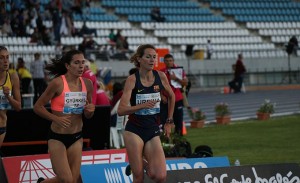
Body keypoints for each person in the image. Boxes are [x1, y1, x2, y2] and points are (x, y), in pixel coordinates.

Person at [33, 49, 95, 183]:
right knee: (66, 179)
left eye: (82, 62)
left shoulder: (88, 84)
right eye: (76, 63)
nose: (81, 66)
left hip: (77, 136)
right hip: (57, 138)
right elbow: (37, 106)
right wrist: (56, 118)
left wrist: (90, 111)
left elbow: (88, 114)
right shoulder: (57, 83)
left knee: (73, 180)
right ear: (67, 66)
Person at [117, 44, 175, 183]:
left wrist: (169, 121)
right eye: (148, 57)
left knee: (160, 176)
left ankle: (137, 162)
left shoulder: (160, 76)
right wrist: (141, 106)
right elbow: (121, 110)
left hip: (152, 129)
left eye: (154, 57)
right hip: (134, 130)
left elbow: (172, 96)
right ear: (139, 59)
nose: (152, 60)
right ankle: (137, 163)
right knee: (138, 177)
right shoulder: (132, 80)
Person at [160, 54, 189, 135]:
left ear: (173, 61)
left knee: (178, 121)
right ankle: (165, 140)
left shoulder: (179, 70)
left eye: (170, 60)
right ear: (164, 62)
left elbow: (186, 83)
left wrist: (176, 78)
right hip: (165, 100)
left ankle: (179, 140)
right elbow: (157, 86)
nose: (169, 62)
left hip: (177, 99)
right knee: (164, 121)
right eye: (167, 61)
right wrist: (161, 96)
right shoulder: (161, 72)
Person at [0, 46, 22, 148]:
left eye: (7, 57)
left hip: (2, 126)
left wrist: (8, 96)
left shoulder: (13, 77)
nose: (5, 61)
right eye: (1, 58)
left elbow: (18, 107)